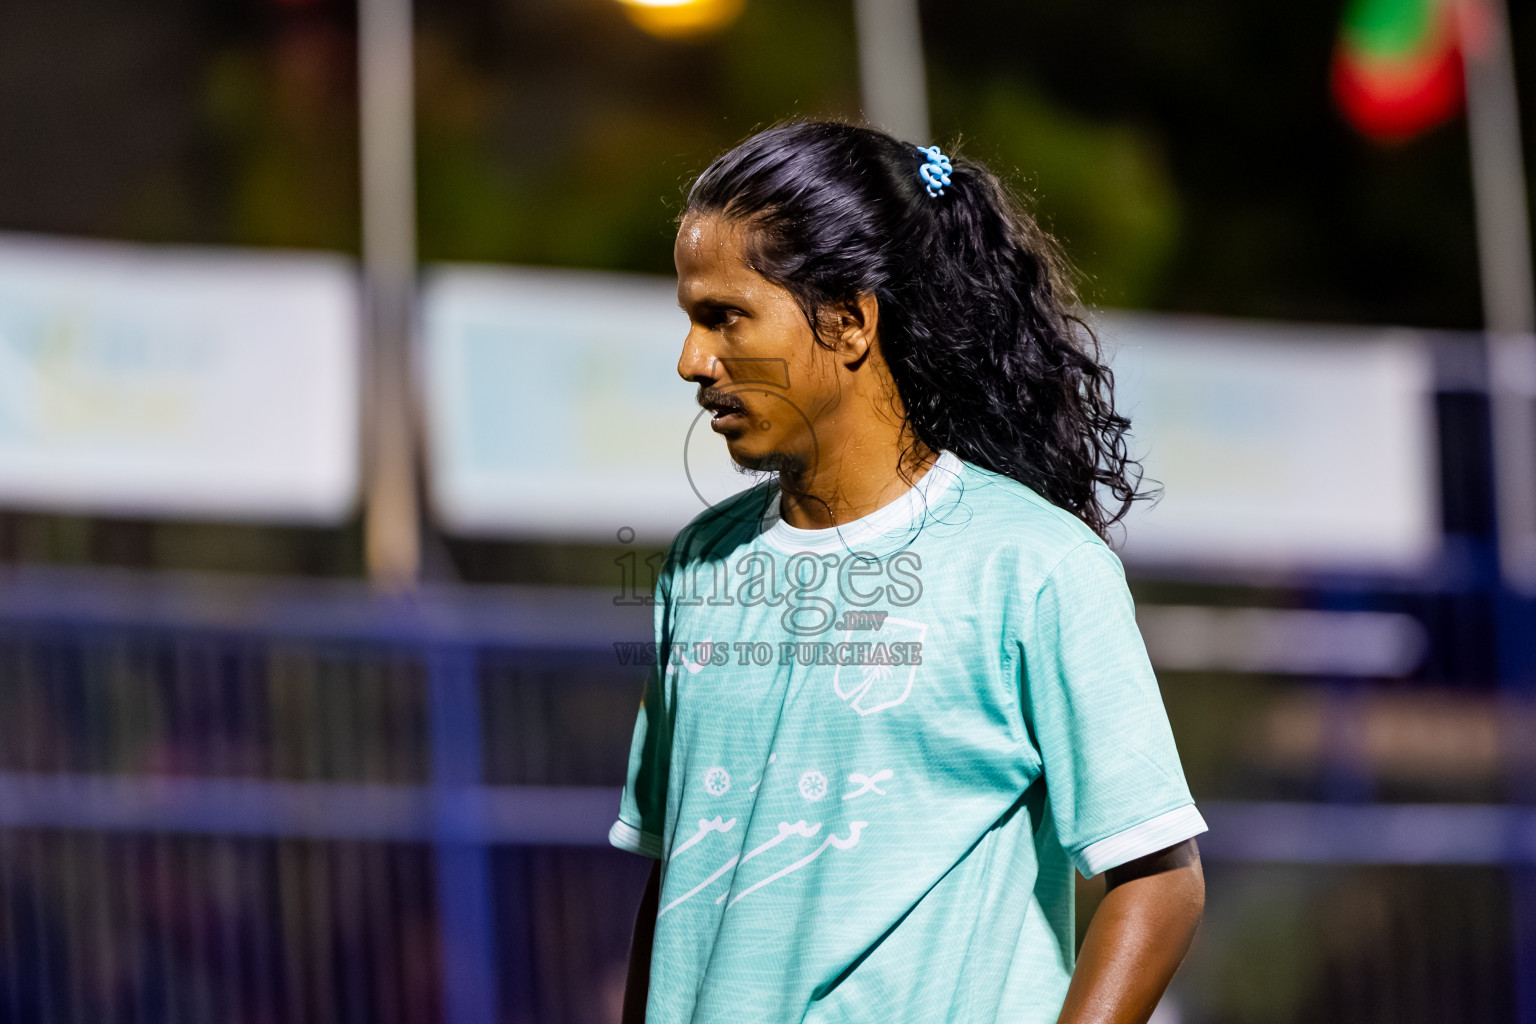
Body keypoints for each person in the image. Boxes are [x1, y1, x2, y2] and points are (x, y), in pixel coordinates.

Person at [610, 120, 1206, 1024]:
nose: (693, 360)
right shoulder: (699, 567)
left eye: (725, 317)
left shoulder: (1035, 567)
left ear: (849, 320)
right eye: (690, 319)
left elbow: (1159, 882)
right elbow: (679, 878)